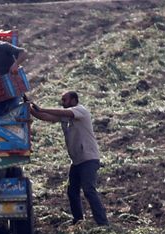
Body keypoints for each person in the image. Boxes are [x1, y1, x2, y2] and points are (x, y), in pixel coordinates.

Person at [29, 91, 108, 226]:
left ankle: (103, 223)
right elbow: (44, 117)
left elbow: (62, 112)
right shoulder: (66, 117)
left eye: (65, 100)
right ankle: (78, 221)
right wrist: (30, 108)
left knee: (89, 190)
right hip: (77, 161)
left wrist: (41, 108)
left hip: (88, 158)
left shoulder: (80, 111)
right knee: (72, 192)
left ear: (73, 100)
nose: (62, 102)